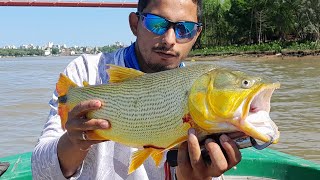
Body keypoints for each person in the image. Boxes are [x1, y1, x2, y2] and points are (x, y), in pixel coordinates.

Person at [31, 0, 242, 179]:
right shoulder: (87, 73)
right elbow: (39, 172)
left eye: (184, 29)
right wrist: (73, 142)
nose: (169, 40)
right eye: (157, 24)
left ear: (196, 35)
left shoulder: (207, 98)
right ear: (134, 24)